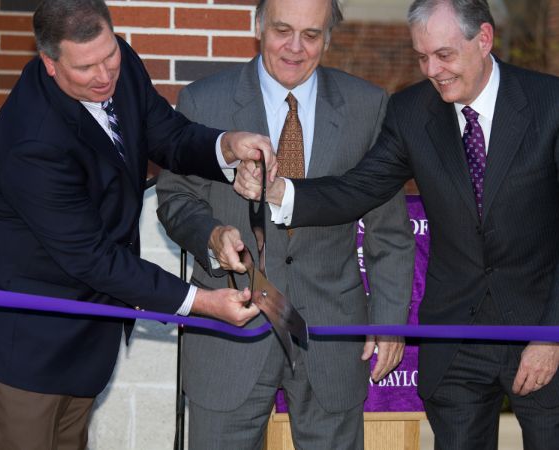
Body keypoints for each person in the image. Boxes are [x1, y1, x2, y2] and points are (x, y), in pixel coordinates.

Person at [236, 0, 559, 448]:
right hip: (454, 345)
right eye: (422, 57)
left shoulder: (550, 103)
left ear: (483, 40)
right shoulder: (411, 111)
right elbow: (357, 189)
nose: (432, 70)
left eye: (443, 55)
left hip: (543, 332)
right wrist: (280, 193)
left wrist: (550, 335)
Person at [0, 0, 276, 448]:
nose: (105, 75)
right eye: (87, 67)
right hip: (22, 346)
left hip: (85, 338)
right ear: (49, 64)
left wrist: (226, 144)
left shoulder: (117, 66)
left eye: (110, 55)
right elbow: (94, 257)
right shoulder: (31, 142)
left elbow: (166, 133)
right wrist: (201, 302)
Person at [156, 0, 414, 448]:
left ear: (329, 38)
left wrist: (390, 321)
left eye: (311, 35)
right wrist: (212, 237)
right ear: (258, 27)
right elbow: (176, 198)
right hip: (229, 338)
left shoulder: (367, 106)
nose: (295, 48)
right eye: (282, 30)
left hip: (332, 339)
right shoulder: (203, 101)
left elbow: (388, 231)